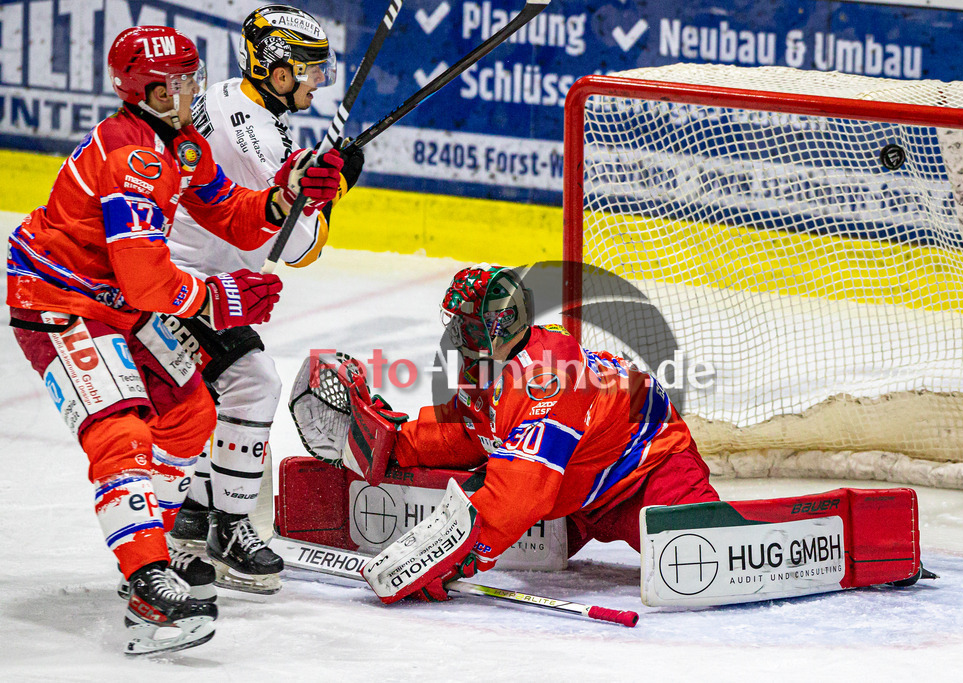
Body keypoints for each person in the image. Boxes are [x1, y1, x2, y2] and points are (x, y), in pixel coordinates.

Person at [6, 25, 343, 655]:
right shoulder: (131, 155)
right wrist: (220, 298)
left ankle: (158, 551)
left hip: (117, 303)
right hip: (60, 302)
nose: (192, 91)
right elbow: (145, 280)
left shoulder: (184, 146)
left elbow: (236, 216)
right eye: (178, 83)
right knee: (122, 428)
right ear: (148, 91)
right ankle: (144, 582)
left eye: (193, 78)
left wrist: (286, 195)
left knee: (189, 413)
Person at [337, 265, 721, 603]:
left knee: (709, 559)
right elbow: (469, 431)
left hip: (645, 472)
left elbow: (523, 491)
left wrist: (457, 557)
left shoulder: (546, 378)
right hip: (573, 497)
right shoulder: (486, 363)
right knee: (528, 533)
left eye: (468, 326)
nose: (456, 334)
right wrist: (397, 442)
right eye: (455, 322)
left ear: (499, 327)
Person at [165, 4, 364, 595]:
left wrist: (306, 173)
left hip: (191, 274)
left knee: (233, 390)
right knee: (251, 385)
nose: (316, 82)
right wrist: (336, 188)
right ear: (277, 72)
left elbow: (271, 183)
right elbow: (300, 247)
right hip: (184, 286)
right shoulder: (251, 134)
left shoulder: (233, 97)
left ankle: (198, 515)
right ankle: (221, 525)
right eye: (309, 71)